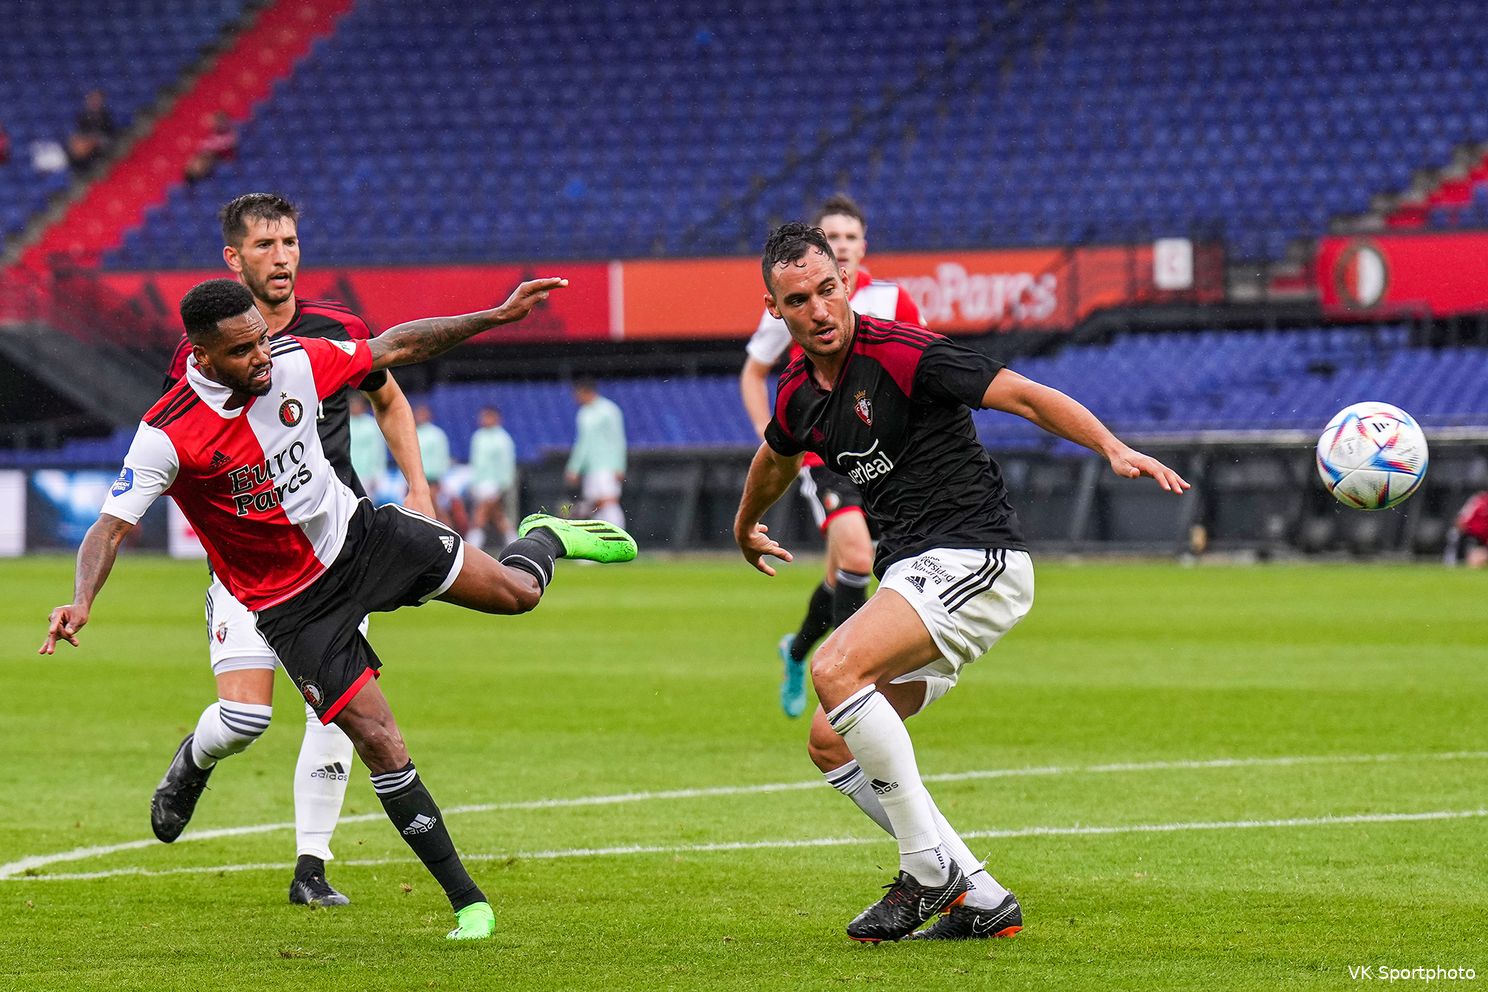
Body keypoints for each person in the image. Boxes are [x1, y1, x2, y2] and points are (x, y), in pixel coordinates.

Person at [42, 276, 637, 940]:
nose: (263, 359)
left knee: (519, 595)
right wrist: (81, 599)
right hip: (295, 609)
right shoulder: (167, 434)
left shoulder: (294, 360)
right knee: (380, 741)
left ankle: (546, 533)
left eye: (263, 341)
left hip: (364, 539)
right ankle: (468, 902)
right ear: (202, 357)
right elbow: (110, 527)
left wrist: (496, 315)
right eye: (243, 352)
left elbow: (398, 345)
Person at [734, 224, 1188, 943]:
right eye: (799, 299)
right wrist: (744, 524)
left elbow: (1026, 397)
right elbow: (776, 458)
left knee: (834, 666)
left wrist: (1111, 445)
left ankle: (926, 870)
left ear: (846, 283)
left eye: (828, 289)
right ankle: (977, 894)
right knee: (829, 740)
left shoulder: (902, 353)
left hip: (977, 560)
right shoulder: (796, 391)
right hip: (916, 576)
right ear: (773, 309)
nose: (819, 308)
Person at [158, 193, 433, 908]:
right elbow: (178, 449)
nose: (281, 257)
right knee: (245, 719)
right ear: (235, 258)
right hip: (252, 566)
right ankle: (194, 758)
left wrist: (418, 486)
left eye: (289, 242)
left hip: (339, 552)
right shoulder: (200, 356)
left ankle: (311, 868)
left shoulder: (333, 329)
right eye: (264, 245)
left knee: (338, 710)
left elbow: (390, 397)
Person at [739, 194, 923, 719]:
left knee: (842, 571)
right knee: (860, 559)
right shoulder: (795, 297)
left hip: (886, 454)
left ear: (863, 246)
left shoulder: (891, 300)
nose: (840, 246)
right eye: (832, 237)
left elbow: (924, 360)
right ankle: (851, 691)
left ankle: (797, 653)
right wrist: (771, 435)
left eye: (849, 237)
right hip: (826, 453)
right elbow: (754, 370)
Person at [565, 379, 627, 529]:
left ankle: (621, 537)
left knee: (609, 501)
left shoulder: (609, 410)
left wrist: (620, 466)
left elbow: (618, 439)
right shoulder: (584, 413)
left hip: (608, 465)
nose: (576, 399)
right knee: (594, 504)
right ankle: (603, 540)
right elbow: (583, 444)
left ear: (586, 392)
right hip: (591, 467)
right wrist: (575, 468)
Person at [467, 405, 517, 549]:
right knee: (498, 516)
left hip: (494, 484)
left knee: (480, 516)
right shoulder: (478, 436)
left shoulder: (503, 438)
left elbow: (507, 463)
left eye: (488, 416)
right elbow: (475, 463)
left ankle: (471, 547)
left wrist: (502, 485)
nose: (484, 419)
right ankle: (515, 544)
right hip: (479, 484)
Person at [415, 404, 467, 532]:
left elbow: (442, 456)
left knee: (434, 507)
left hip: (432, 478)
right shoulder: (413, 432)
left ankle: (449, 534)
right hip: (416, 478)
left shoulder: (436, 434)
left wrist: (439, 477)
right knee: (424, 509)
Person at [348, 392, 388, 500]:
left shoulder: (371, 425)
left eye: (357, 404)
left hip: (367, 474)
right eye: (353, 404)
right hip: (348, 473)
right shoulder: (344, 423)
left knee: (366, 505)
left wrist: (378, 473)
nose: (355, 407)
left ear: (363, 406)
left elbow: (379, 450)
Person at [184, 111, 238, 185]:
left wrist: (211, 149)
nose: (217, 124)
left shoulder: (233, 132)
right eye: (216, 122)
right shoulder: (211, 134)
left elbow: (228, 145)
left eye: (220, 121)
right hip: (210, 157)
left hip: (221, 160)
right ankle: (193, 181)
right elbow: (204, 147)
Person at [1446, 490, 1488, 567]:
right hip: (1472, 536)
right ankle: (1451, 562)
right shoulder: (1479, 501)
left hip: (1483, 540)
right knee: (1454, 534)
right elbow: (1461, 520)